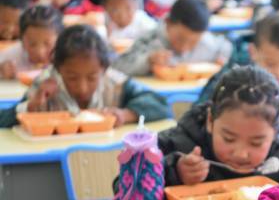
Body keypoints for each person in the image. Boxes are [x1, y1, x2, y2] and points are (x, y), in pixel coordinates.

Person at [159, 65, 279, 186]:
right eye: (228, 139)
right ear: (210, 120)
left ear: (275, 130)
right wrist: (174, 173)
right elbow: (140, 181)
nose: (241, 154)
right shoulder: (180, 142)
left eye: (256, 143)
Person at [0, 25, 169, 128]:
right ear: (58, 69)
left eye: (92, 77)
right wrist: (29, 107)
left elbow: (161, 106)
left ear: (103, 69)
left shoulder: (114, 81)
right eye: (72, 78)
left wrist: (125, 115)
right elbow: (3, 120)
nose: (82, 88)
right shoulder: (46, 83)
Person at [112, 0, 232, 76]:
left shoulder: (206, 42)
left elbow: (225, 46)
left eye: (193, 43)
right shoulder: (151, 40)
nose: (184, 48)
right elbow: (118, 67)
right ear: (168, 23)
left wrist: (222, 58)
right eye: (181, 39)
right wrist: (147, 61)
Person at [0, 6, 63, 79]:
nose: (39, 52)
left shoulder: (68, 57)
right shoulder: (11, 57)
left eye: (47, 44)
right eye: (32, 44)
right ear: (22, 41)